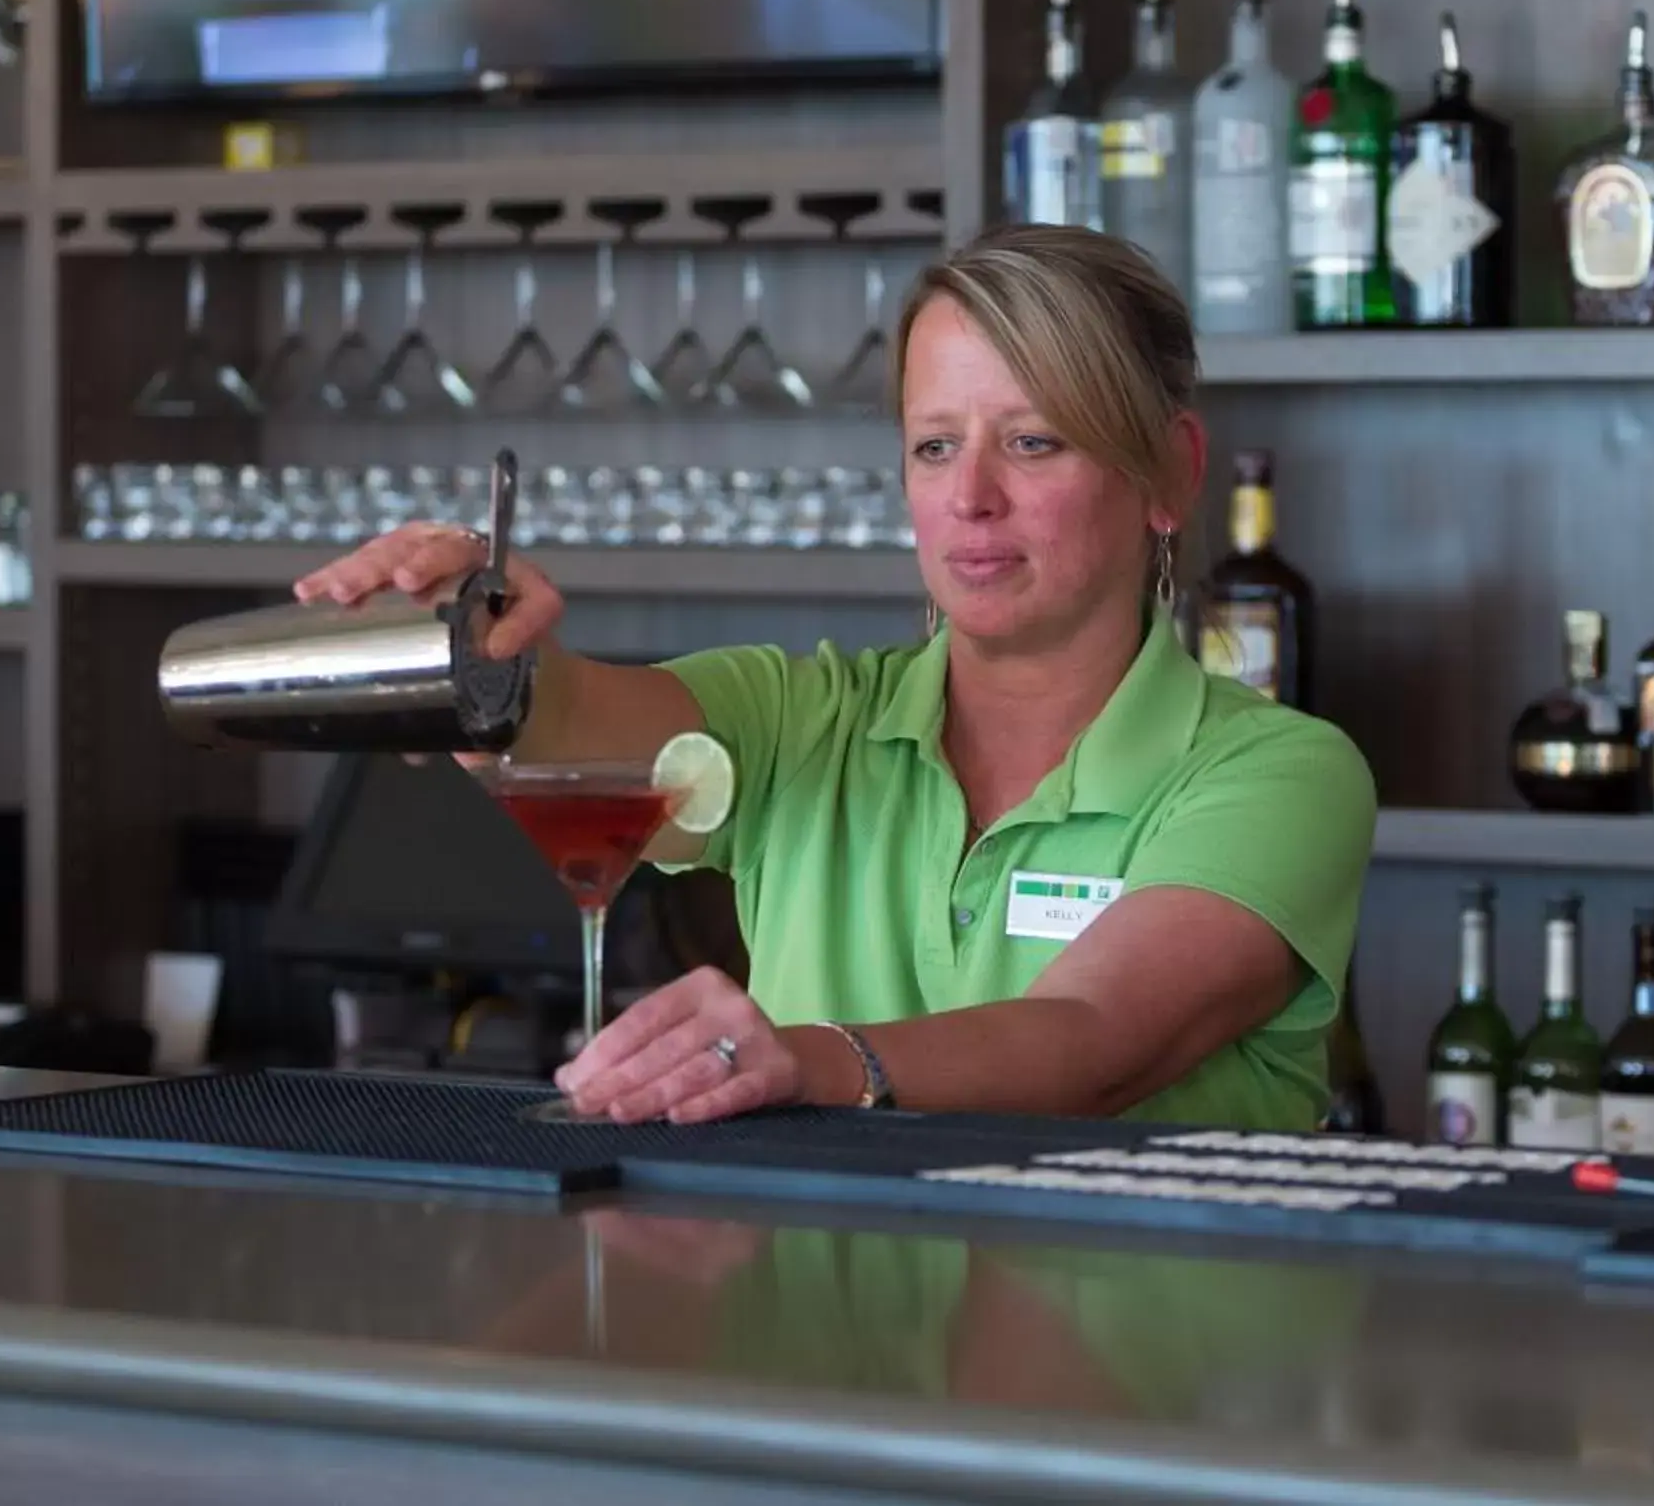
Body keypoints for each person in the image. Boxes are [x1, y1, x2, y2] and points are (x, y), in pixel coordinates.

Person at [297, 226, 1377, 1131]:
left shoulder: (1277, 775)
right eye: (934, 447)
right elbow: (580, 724)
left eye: (1037, 441)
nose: (972, 499)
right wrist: (482, 655)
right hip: (823, 1364)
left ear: (1171, 473)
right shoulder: (805, 720)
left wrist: (811, 1061)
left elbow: (1096, 1042)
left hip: (1130, 1372)